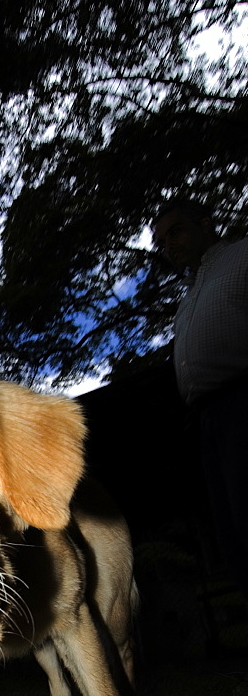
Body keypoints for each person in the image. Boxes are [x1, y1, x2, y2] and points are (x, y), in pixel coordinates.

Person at [152, 198, 248, 599]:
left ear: (206, 223)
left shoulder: (242, 256)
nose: (168, 245)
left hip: (242, 403)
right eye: (161, 241)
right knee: (234, 534)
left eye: (175, 231)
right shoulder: (190, 295)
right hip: (208, 421)